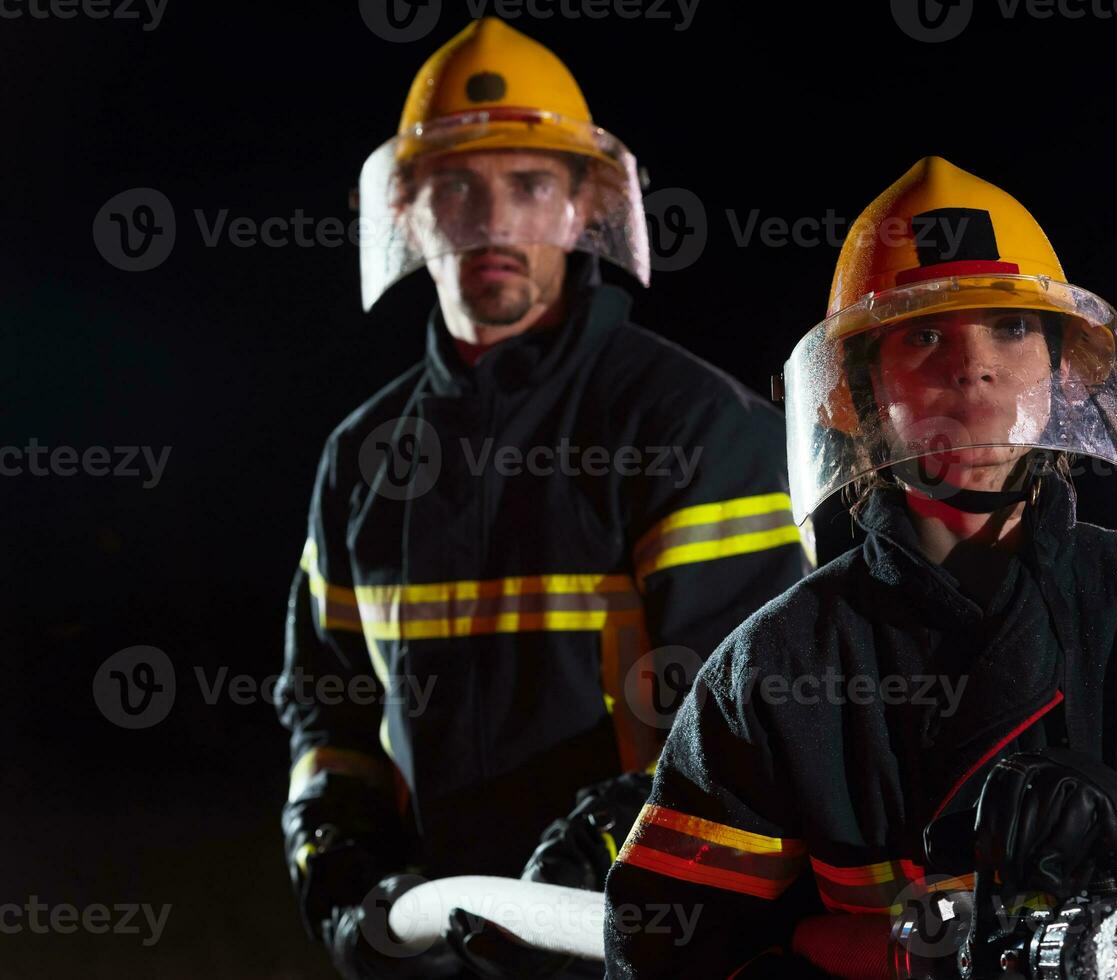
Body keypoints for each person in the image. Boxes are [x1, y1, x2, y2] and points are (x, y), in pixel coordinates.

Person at [603, 157, 1117, 978]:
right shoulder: (771, 672)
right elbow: (671, 953)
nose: (973, 368)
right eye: (924, 336)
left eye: (1011, 327)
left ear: (1065, 368)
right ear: (854, 395)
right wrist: (919, 959)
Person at [275, 19, 809, 978]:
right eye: (457, 189)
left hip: (637, 940)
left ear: (580, 208)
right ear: (409, 210)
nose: (493, 223)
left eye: (528, 185)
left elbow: (754, 722)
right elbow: (331, 710)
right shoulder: (364, 458)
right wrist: (339, 862)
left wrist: (599, 864)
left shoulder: (692, 427)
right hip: (438, 947)